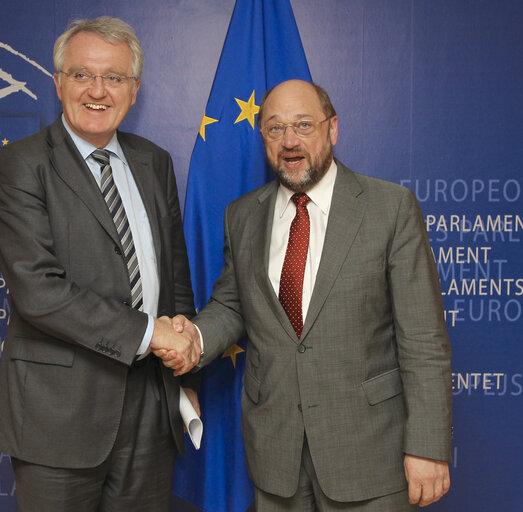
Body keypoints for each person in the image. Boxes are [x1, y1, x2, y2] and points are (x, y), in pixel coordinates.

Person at [163, 79, 452, 511]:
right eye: (275, 128)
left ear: (332, 129)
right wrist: (194, 341)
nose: (289, 141)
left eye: (303, 125)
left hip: (370, 454)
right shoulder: (242, 216)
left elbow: (424, 339)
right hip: (276, 457)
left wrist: (427, 447)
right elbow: (232, 304)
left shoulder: (389, 208)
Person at [0, 17, 201, 511]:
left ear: (135, 89)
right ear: (58, 82)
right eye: (82, 74)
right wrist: (154, 334)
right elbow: (40, 292)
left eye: (114, 78)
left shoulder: (155, 161)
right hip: (58, 416)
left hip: (151, 411)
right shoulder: (20, 164)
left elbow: (174, 277)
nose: (97, 91)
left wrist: (184, 372)